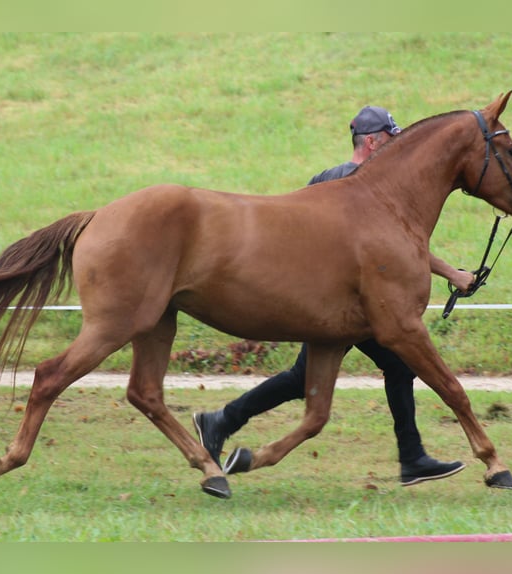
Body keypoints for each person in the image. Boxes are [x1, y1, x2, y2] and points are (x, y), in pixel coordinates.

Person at [193, 105, 476, 486]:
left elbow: (394, 254)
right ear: (373, 141)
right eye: (393, 140)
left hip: (347, 301)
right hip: (342, 305)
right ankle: (411, 458)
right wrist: (452, 273)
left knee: (353, 372)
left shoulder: (329, 178)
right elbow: (388, 252)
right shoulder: (355, 184)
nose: (399, 148)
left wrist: (451, 273)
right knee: (368, 368)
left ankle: (221, 421)